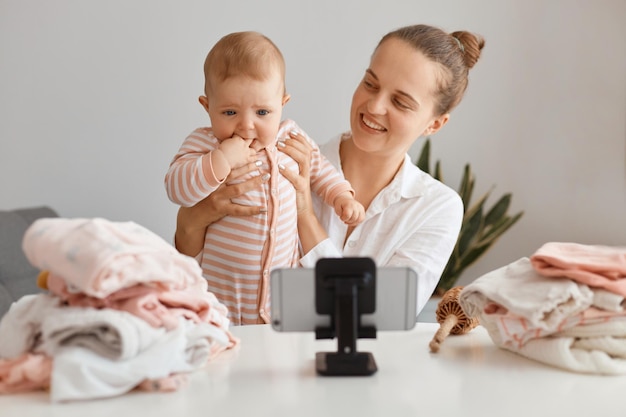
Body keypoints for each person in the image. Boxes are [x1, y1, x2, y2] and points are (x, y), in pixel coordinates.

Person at [174, 24, 485, 319]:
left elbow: (381, 315)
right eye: (370, 83)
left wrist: (306, 216)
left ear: (435, 123)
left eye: (401, 102)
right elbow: (192, 274)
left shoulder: (435, 207)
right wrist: (193, 220)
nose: (374, 106)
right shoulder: (280, 159)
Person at [164, 31, 365, 325]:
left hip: (280, 307)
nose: (246, 125)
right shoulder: (204, 144)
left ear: (282, 104)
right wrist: (220, 160)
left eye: (262, 112)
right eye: (230, 111)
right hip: (220, 301)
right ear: (207, 106)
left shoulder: (290, 136)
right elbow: (176, 189)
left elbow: (320, 169)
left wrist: (341, 196)